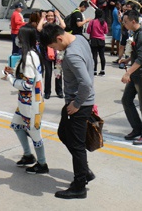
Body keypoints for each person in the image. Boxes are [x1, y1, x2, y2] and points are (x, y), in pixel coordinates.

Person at [39, 23, 95, 199]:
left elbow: (86, 83)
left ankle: (80, 186)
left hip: (78, 104)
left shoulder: (72, 55)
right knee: (63, 133)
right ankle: (84, 171)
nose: (54, 50)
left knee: (77, 146)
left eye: (53, 46)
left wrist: (77, 103)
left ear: (59, 38)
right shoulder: (80, 38)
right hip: (76, 103)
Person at [4, 25, 49, 174]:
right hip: (27, 102)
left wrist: (10, 79)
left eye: (20, 36)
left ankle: (42, 164)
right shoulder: (32, 54)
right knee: (16, 125)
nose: (17, 39)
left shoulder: (29, 57)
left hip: (31, 104)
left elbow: (27, 84)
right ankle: (28, 155)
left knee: (35, 133)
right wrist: (14, 71)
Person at [120, 9, 142, 145]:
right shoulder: (136, 33)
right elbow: (138, 54)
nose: (124, 24)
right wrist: (128, 60)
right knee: (126, 100)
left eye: (126, 22)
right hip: (137, 74)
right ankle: (137, 128)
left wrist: (128, 72)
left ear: (133, 21)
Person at [37, 9, 65, 99]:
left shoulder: (56, 26)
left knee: (58, 72)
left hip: (57, 52)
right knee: (48, 73)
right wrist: (42, 17)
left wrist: (59, 16)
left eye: (52, 16)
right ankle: (47, 92)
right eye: (48, 16)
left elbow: (63, 26)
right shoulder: (44, 26)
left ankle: (59, 91)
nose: (50, 17)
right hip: (46, 52)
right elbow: (38, 28)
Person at [87, 9, 109, 76]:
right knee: (102, 55)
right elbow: (106, 32)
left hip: (94, 40)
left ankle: (94, 70)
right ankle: (102, 70)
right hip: (101, 40)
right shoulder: (104, 22)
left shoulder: (92, 22)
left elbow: (88, 31)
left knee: (94, 56)